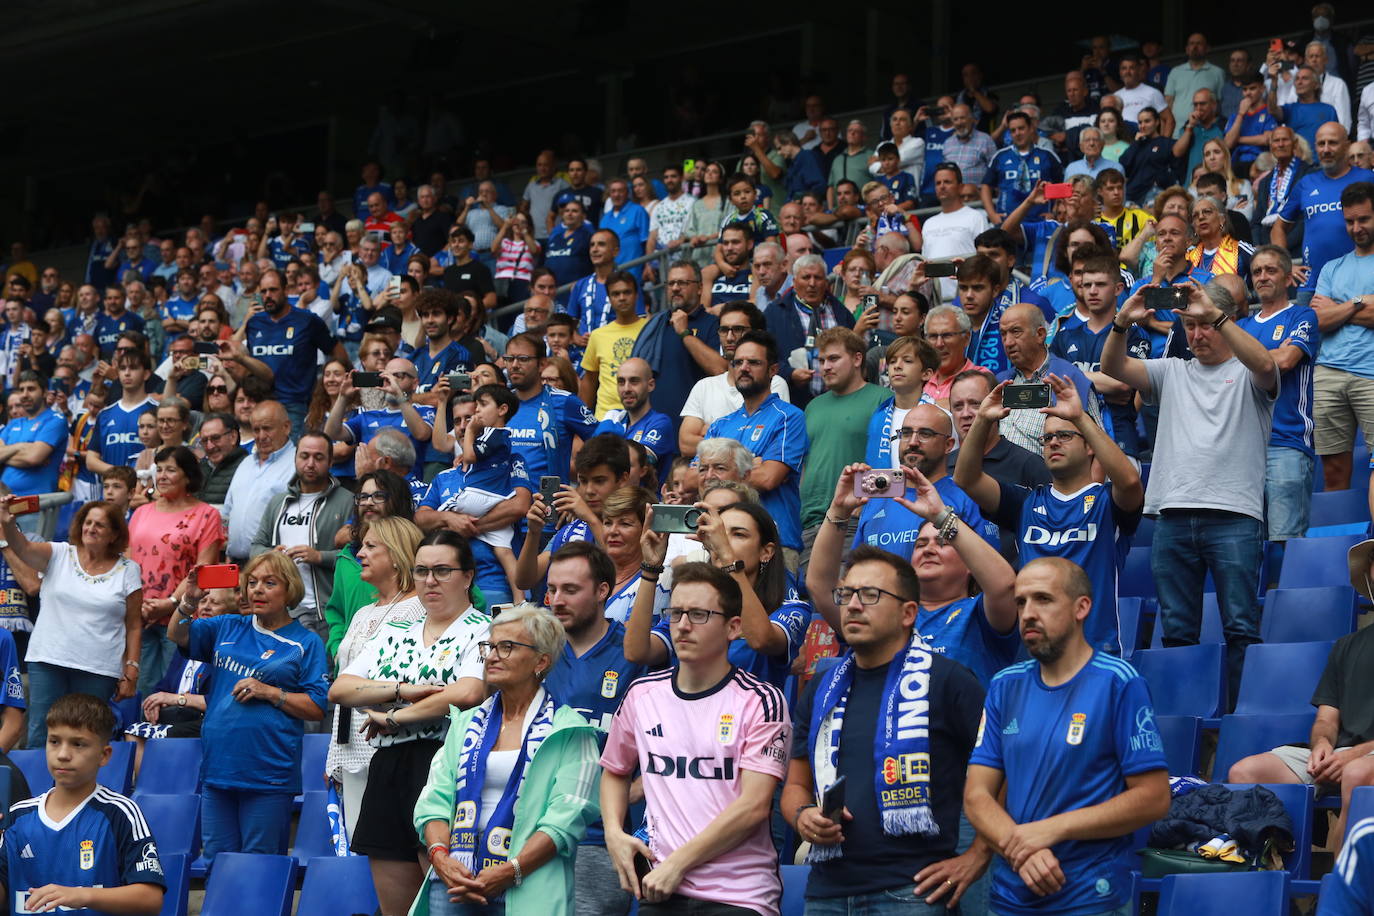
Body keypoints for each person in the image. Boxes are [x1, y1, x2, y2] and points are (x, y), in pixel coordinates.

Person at [783, 543, 989, 914]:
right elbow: (795, 785)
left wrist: (977, 855)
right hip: (826, 891)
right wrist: (803, 816)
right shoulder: (821, 689)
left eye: (871, 595)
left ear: (909, 612)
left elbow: (1002, 772)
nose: (854, 605)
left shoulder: (948, 681)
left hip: (910, 892)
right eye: (846, 594)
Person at [1102, 279, 1277, 705]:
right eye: (1189, 326)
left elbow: (1268, 366)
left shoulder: (1248, 371)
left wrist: (1213, 311)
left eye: (1205, 326)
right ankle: (1182, 719)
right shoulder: (1174, 370)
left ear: (1224, 323)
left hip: (1234, 515)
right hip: (1173, 516)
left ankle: (1238, 716)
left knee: (1240, 626)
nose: (1195, 335)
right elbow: (1113, 367)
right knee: (1177, 630)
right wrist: (1122, 320)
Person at [964, 558, 1171, 916]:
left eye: (1043, 599)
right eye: (1021, 602)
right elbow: (977, 795)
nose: (1027, 613)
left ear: (1081, 607)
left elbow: (1153, 798)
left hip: (1090, 897)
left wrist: (1047, 831)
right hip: (1010, 897)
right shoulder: (1003, 686)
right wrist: (1023, 848)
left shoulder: (1119, 682)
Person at [601, 563, 789, 916]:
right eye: (676, 613)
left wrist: (678, 864)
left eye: (699, 614)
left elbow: (753, 807)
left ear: (734, 627)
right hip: (660, 892)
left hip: (738, 896)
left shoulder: (760, 700)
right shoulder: (642, 694)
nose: (683, 625)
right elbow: (614, 770)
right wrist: (613, 831)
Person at [330, 530, 488, 916]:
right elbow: (342, 688)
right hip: (387, 768)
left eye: (442, 570)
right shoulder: (394, 631)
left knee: (443, 905)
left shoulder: (483, 628)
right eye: (421, 571)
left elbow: (467, 693)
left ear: (467, 576)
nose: (430, 580)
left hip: (443, 765)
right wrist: (404, 688)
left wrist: (394, 714)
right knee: (395, 907)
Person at [413, 604, 600, 915]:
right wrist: (440, 858)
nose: (492, 655)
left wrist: (509, 871)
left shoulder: (570, 731)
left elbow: (564, 821)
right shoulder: (465, 723)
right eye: (490, 646)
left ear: (541, 660)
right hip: (455, 882)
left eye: (507, 647)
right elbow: (434, 800)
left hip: (527, 884)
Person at [957, 370, 1144, 655]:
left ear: (1090, 447)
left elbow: (1130, 481)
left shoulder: (1107, 503)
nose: (1053, 442)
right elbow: (967, 479)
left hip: (1095, 653)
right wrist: (982, 420)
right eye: (1047, 438)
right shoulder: (1026, 503)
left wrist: (1081, 416)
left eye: (1065, 435)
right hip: (1032, 653)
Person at [167, 551, 328, 859]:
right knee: (217, 859)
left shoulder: (305, 643)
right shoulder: (227, 626)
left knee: (259, 862)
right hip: (218, 768)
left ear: (289, 589)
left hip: (268, 772)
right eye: (252, 582)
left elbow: (316, 706)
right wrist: (188, 600)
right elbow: (177, 633)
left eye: (269, 583)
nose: (257, 589)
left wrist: (270, 692)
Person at [1230, 536, 1374, 854]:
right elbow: (1326, 718)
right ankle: (1274, 879)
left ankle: (1341, 897)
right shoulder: (1347, 646)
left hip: (1361, 759)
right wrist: (1322, 745)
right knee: (1244, 773)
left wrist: (1353, 755)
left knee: (1357, 773)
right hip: (1339, 754)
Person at [0, 694, 165, 916]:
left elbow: (151, 899)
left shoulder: (121, 813)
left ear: (104, 755)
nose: (63, 754)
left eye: (78, 744)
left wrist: (83, 895)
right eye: (54, 741)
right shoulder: (18, 816)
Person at [1, 498, 141, 746]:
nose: (91, 528)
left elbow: (133, 625)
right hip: (48, 660)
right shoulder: (59, 553)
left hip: (98, 668)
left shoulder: (128, 570)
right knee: (41, 734)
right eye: (87, 522)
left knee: (86, 736)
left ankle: (81, 786)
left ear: (114, 534)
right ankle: (38, 786)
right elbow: (21, 548)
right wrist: (7, 523)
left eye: (100, 524)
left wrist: (131, 668)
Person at [703, 331, 808, 570]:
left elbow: (769, 478)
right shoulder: (721, 424)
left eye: (753, 362)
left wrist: (719, 470)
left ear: (773, 370)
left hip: (775, 541)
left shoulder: (789, 417)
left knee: (769, 609)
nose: (744, 368)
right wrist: (750, 464)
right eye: (738, 362)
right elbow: (694, 478)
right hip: (717, 540)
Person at [1238, 245, 1320, 540]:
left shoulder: (1303, 316)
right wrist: (1271, 353)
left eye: (1270, 270)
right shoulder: (1240, 326)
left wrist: (1247, 360)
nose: (1262, 276)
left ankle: (1279, 588)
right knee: (1244, 546)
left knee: (1285, 543)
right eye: (1256, 271)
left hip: (1287, 441)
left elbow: (1286, 361)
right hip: (1244, 448)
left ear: (1287, 278)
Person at [127, 446, 223, 693]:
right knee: (141, 689)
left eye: (171, 470)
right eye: (159, 470)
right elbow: (126, 561)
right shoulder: (140, 512)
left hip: (182, 617)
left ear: (188, 475)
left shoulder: (207, 515)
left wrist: (170, 602)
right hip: (141, 615)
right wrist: (138, 605)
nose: (162, 476)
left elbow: (204, 566)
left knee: (174, 691)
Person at [250, 430, 353, 640]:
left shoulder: (347, 500)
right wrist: (272, 555)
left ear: (330, 461)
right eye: (304, 456)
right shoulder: (279, 502)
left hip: (325, 610)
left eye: (319, 457)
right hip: (282, 609)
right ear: (295, 458)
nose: (311, 463)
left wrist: (319, 557)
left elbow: (357, 555)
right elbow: (256, 547)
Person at [800, 328, 891, 554]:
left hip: (854, 517)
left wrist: (869, 504)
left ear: (858, 358)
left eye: (834, 358)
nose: (825, 367)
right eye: (821, 360)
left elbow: (891, 458)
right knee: (810, 587)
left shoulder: (882, 398)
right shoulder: (813, 406)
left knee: (844, 588)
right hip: (811, 521)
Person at [1309, 181, 1374, 490]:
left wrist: (1338, 309)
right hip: (1329, 374)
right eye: (1350, 221)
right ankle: (1342, 537)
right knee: (1333, 472)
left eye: (1364, 219)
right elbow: (1318, 319)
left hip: (1371, 374)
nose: (1356, 227)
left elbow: (1329, 314)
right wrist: (1358, 302)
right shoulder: (1331, 268)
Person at [1274, 123, 1374, 308]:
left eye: (1333, 143)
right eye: (1321, 144)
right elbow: (1278, 227)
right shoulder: (1306, 183)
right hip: (1312, 285)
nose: (1326, 149)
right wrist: (1286, 264)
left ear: (1347, 145)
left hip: (1361, 278)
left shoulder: (1368, 178)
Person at [324, 470, 417, 660]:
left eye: (378, 496)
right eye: (363, 496)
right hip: (351, 664)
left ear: (397, 500)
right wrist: (338, 649)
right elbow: (337, 614)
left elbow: (467, 599)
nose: (368, 502)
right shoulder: (346, 558)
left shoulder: (421, 553)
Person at [677, 301, 786, 458]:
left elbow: (768, 444)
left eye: (738, 330)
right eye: (724, 330)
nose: (729, 337)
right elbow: (686, 445)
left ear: (757, 333)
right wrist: (742, 438)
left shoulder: (774, 382)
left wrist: (712, 433)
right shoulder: (704, 386)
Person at [994, 304, 1107, 455]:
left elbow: (1099, 445)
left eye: (1016, 332)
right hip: (997, 475)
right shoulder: (1000, 381)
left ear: (1040, 335)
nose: (1008, 342)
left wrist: (1093, 480)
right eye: (1003, 334)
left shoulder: (1069, 378)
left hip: (1051, 476)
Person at [629, 261, 724, 426]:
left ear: (700, 288)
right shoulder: (656, 325)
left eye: (683, 283)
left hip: (695, 426)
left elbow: (720, 370)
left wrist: (684, 333)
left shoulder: (713, 323)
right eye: (671, 283)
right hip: (654, 426)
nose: (675, 288)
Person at [223, 400, 297, 564]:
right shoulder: (245, 463)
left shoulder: (298, 463)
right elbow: (228, 512)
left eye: (267, 428)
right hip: (235, 564)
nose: (261, 436)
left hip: (273, 564)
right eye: (256, 429)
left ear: (286, 427)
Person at [580, 272, 648, 419]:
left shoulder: (651, 329)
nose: (622, 298)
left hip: (643, 416)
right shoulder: (598, 335)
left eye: (627, 292)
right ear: (609, 298)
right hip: (606, 416)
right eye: (616, 294)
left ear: (636, 295)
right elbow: (589, 381)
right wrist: (581, 423)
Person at [593, 357, 675, 468]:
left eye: (634, 381)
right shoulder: (613, 417)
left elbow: (635, 463)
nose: (626, 389)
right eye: (621, 382)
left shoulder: (660, 423)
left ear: (650, 385)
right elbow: (590, 456)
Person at [195, 412, 247, 511]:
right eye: (205, 441)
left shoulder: (246, 468)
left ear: (233, 437)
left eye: (215, 438)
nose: (210, 446)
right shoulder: (199, 469)